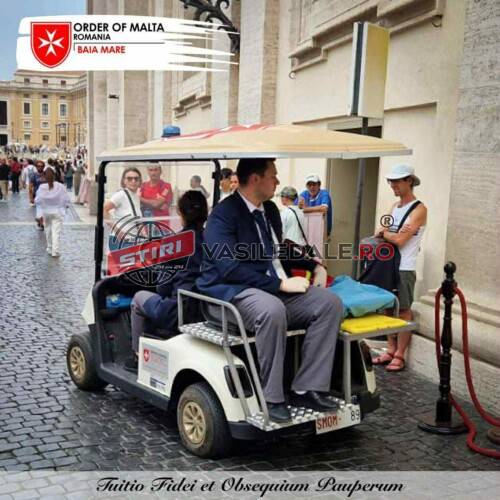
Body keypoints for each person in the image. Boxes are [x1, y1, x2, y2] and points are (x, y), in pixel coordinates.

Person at [197, 158, 343, 422]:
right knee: (272, 310)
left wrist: (314, 265)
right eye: (273, 176)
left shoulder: (271, 210)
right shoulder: (222, 215)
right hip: (230, 292)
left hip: (269, 290)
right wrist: (280, 284)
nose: (277, 181)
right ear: (255, 179)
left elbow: (279, 250)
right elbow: (228, 267)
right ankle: (272, 397)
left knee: (329, 303)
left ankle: (307, 387)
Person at [126, 190, 208, 372]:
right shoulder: (214, 241)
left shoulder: (173, 243)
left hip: (180, 311)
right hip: (206, 310)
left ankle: (137, 355)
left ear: (180, 212)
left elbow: (162, 288)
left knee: (138, 298)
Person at [371, 164, 427, 372]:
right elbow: (379, 230)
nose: (392, 185)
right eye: (390, 181)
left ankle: (400, 355)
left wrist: (388, 234)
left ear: (409, 181)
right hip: (388, 265)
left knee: (403, 310)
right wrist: (389, 234)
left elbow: (400, 240)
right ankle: (390, 349)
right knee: (388, 308)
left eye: (396, 181)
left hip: (405, 266)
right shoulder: (394, 206)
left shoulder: (419, 209)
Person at [34, 167, 71, 257]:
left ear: (44, 176)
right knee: (56, 231)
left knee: (48, 230)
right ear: (54, 176)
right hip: (57, 211)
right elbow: (66, 198)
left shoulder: (42, 187)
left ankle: (50, 248)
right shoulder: (60, 186)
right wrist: (65, 205)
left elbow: (37, 200)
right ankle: (55, 251)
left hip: (46, 212)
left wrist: (39, 213)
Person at [103, 167, 142, 250]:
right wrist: (117, 230)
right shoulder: (121, 195)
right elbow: (103, 209)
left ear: (140, 181)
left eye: (136, 179)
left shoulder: (136, 196)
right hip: (120, 240)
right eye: (129, 179)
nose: (133, 181)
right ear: (124, 180)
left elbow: (136, 219)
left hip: (132, 240)